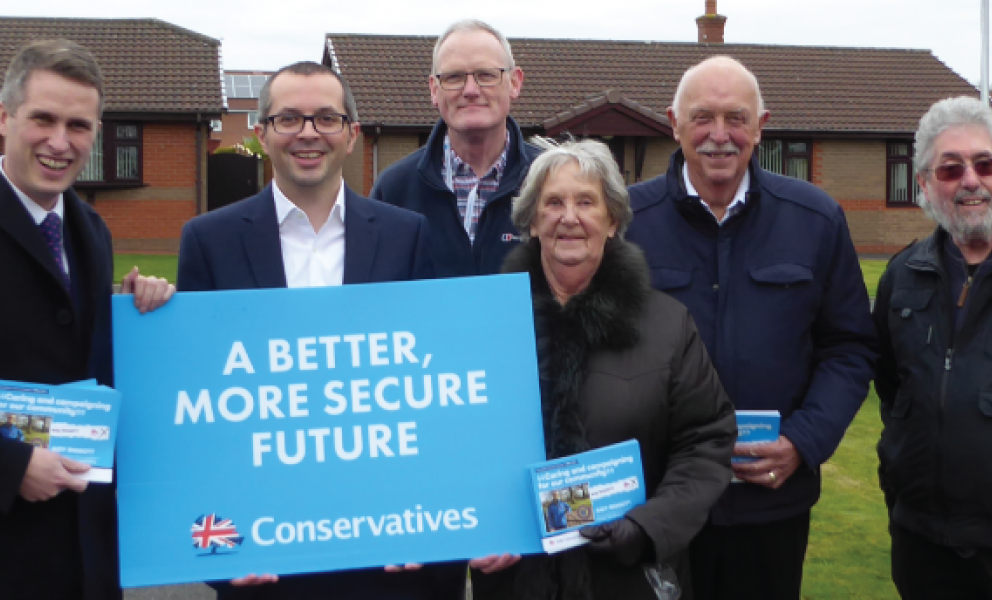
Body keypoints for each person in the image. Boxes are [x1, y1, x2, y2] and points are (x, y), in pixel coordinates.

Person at [177, 61, 463, 600]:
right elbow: (196, 412)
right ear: (261, 133)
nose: (308, 133)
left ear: (351, 135)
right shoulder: (207, 242)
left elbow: (432, 397)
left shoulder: (407, 236)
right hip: (265, 560)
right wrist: (218, 553)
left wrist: (426, 526)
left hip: (385, 557)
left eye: (326, 118)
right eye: (288, 118)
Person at [626, 56, 876, 600]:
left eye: (736, 118)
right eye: (703, 118)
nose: (720, 136)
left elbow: (850, 347)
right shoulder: (625, 224)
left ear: (762, 124)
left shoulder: (815, 219)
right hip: (659, 504)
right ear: (673, 122)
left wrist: (803, 441)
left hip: (769, 506)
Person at [471, 137, 736, 599]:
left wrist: (646, 528)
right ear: (532, 221)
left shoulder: (667, 326)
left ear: (612, 220)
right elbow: (456, 444)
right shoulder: (484, 326)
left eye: (586, 202)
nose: (568, 217)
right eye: (553, 202)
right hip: (516, 580)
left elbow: (706, 442)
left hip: (628, 576)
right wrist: (478, 526)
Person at [0, 39, 173, 600]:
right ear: (4, 119)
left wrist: (130, 313)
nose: (59, 141)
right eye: (42, 120)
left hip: (85, 555)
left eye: (78, 125)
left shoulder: (91, 231)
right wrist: (10, 462)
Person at [874, 96, 992, 599]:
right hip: (921, 542)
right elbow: (892, 388)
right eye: (951, 169)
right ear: (924, 184)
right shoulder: (902, 276)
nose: (971, 180)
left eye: (985, 164)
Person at [370, 19, 541, 277]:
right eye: (454, 77)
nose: (471, 90)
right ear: (434, 90)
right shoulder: (394, 190)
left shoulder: (551, 181)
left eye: (486, 75)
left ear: (514, 83)